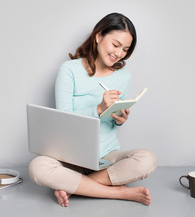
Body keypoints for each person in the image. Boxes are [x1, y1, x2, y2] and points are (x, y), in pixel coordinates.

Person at [29, 13, 157, 207]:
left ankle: (73, 187)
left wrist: (119, 118)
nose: (119, 54)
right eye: (115, 45)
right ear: (98, 36)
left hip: (106, 157)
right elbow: (64, 122)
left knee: (147, 159)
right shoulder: (69, 70)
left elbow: (113, 120)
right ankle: (117, 193)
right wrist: (98, 109)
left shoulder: (123, 76)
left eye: (125, 49)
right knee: (38, 167)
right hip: (70, 157)